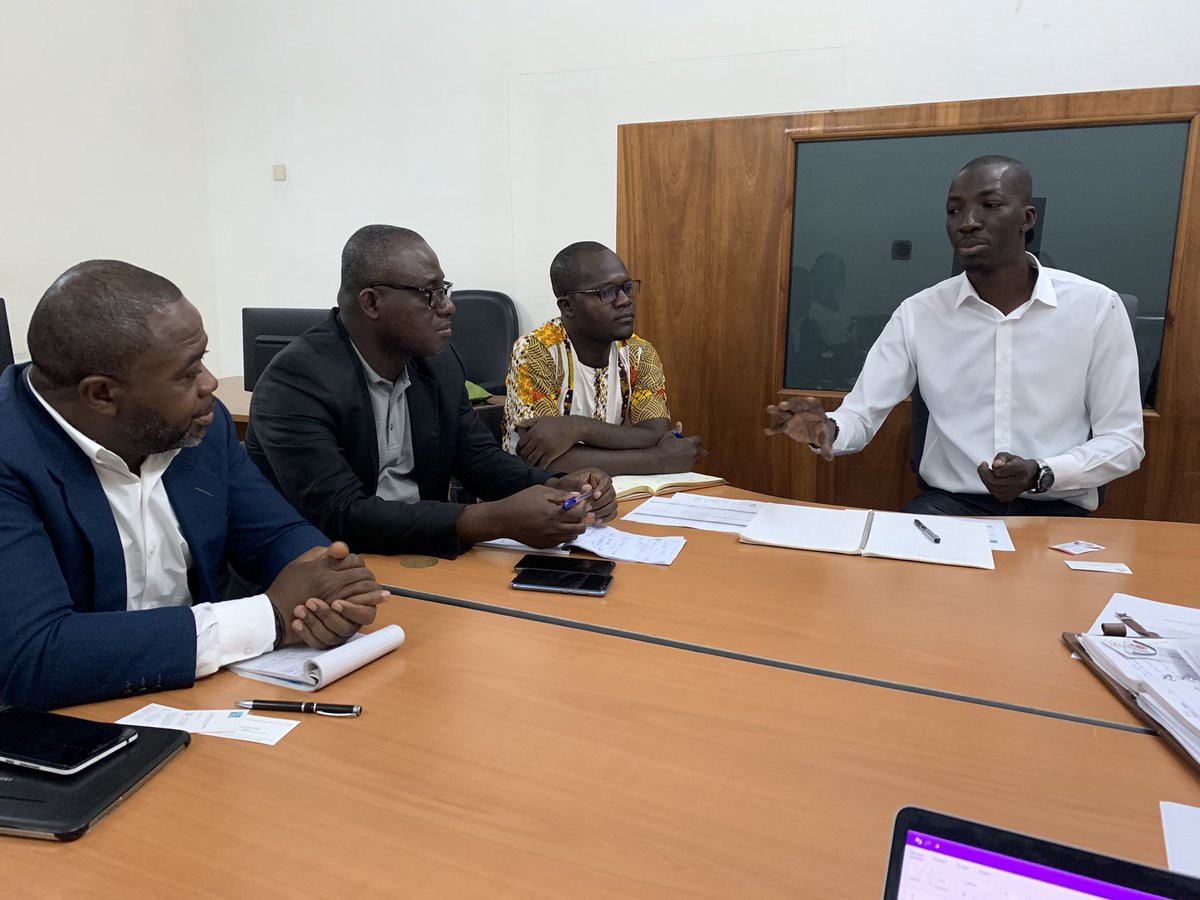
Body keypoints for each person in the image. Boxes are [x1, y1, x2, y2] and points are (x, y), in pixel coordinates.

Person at [0, 261, 387, 711]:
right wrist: (272, 617)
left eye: (202, 358)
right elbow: (34, 656)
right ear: (102, 395)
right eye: (187, 373)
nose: (209, 383)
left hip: (195, 700)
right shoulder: (12, 453)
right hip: (57, 727)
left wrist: (329, 588)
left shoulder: (196, 423)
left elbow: (273, 535)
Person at [766, 156, 1144, 516]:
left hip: (1054, 506)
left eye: (990, 205)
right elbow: (860, 416)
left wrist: (1042, 472)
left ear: (1027, 219)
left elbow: (1124, 442)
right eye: (954, 211)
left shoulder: (1095, 307)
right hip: (950, 507)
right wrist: (825, 429)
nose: (968, 221)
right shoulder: (919, 313)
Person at [246, 225, 617, 559]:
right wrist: (492, 519)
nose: (449, 306)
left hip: (422, 554)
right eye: (430, 294)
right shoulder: (295, 382)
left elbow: (479, 460)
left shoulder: (436, 363)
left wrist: (558, 485)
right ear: (372, 302)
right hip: (333, 571)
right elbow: (340, 515)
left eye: (444, 290)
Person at [501, 241, 701, 474]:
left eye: (627, 287)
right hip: (537, 496)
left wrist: (578, 428)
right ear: (567, 306)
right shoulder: (537, 351)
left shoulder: (640, 353)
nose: (625, 300)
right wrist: (659, 460)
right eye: (606, 293)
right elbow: (544, 458)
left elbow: (656, 435)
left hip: (619, 493)